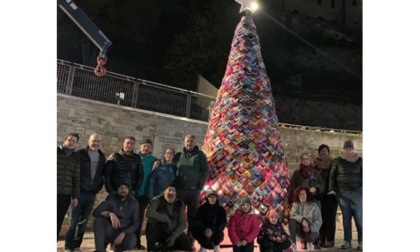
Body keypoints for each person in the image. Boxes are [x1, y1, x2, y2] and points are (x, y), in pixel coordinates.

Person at [65, 133, 106, 252]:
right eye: (94, 141)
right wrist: (74, 193)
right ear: (88, 141)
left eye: (98, 141)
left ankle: (77, 245)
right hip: (78, 193)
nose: (96, 143)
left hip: (91, 194)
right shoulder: (79, 154)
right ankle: (68, 246)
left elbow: (101, 174)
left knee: (83, 222)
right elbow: (74, 174)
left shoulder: (102, 157)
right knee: (73, 222)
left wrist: (98, 187)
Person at [173, 134, 210, 238]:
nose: (189, 143)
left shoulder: (200, 155)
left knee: (192, 216)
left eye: (191, 141)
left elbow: (205, 170)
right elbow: (172, 168)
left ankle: (190, 238)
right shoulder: (179, 155)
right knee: (178, 215)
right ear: (184, 142)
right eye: (187, 141)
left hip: (193, 191)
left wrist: (200, 185)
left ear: (195, 142)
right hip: (180, 190)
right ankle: (178, 237)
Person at [328, 140, 363, 251]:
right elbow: (332, 176)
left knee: (358, 217)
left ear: (353, 150)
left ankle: (362, 241)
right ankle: (347, 241)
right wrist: (332, 189)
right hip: (342, 193)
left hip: (357, 193)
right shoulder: (337, 161)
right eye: (347, 149)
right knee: (346, 218)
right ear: (343, 149)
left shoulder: (360, 161)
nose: (348, 151)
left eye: (350, 149)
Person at [92, 180, 140, 252]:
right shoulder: (111, 199)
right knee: (98, 220)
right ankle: (100, 250)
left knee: (132, 240)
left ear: (129, 189)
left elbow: (136, 222)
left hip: (123, 231)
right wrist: (109, 214)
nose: (123, 190)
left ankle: (118, 248)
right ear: (117, 189)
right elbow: (96, 212)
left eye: (126, 188)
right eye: (121, 188)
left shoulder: (134, 202)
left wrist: (124, 232)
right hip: (110, 229)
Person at [145, 182, 193, 251]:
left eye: (173, 191)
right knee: (151, 223)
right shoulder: (156, 200)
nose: (171, 192)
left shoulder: (180, 204)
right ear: (164, 191)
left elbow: (182, 224)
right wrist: (165, 218)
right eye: (169, 190)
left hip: (172, 231)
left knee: (187, 244)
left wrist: (174, 236)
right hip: (159, 230)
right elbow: (149, 213)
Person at [135, 139, 158, 250]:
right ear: (140, 146)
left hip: (143, 194)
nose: (146, 148)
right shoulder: (134, 157)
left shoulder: (154, 160)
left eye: (148, 146)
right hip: (131, 192)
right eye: (144, 146)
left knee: (139, 219)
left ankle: (137, 242)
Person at [313, 144, 337, 248]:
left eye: (325, 151)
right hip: (320, 195)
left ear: (329, 152)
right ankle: (321, 238)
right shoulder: (315, 165)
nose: (323, 153)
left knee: (330, 218)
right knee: (320, 217)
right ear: (319, 153)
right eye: (321, 151)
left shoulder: (334, 164)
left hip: (331, 194)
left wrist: (335, 189)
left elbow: (337, 177)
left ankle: (330, 239)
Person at [57, 132, 80, 240]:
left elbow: (76, 178)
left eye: (74, 141)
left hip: (65, 195)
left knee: (58, 221)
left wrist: (75, 196)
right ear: (65, 140)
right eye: (69, 140)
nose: (71, 142)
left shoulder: (75, 158)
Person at [288, 187, 322, 251]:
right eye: (300, 195)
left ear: (307, 195)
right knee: (291, 221)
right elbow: (293, 215)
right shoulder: (296, 204)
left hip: (312, 231)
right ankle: (293, 244)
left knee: (311, 237)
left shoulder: (314, 205)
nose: (302, 196)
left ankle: (311, 242)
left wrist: (310, 228)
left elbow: (319, 221)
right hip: (301, 230)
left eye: (303, 194)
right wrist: (303, 219)